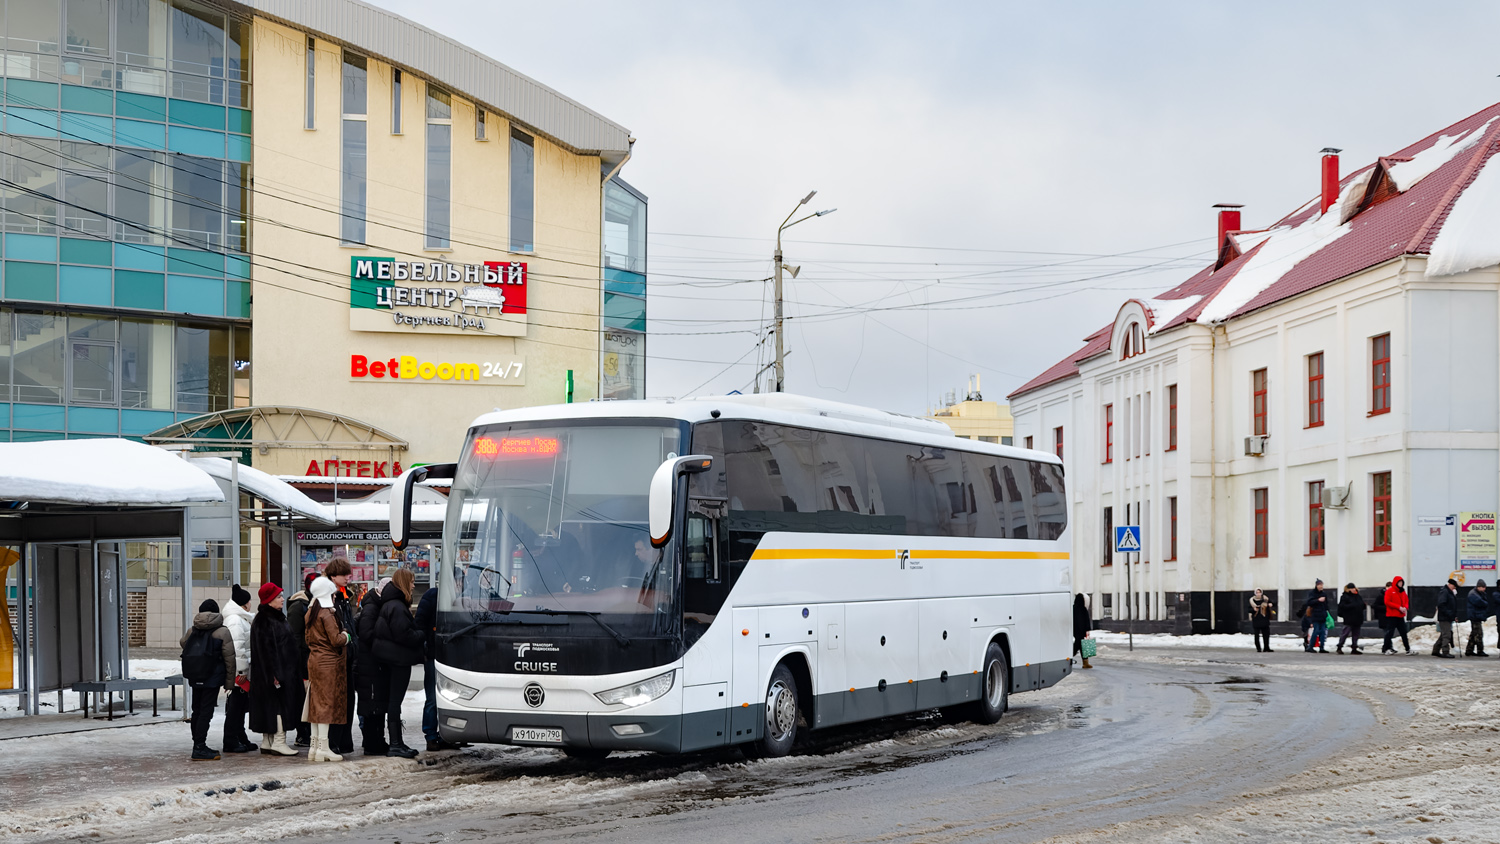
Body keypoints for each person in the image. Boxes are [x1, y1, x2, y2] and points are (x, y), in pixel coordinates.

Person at [373, 568, 425, 758]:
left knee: (392, 701)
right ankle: (396, 744)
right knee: (395, 702)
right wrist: (422, 634)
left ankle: (397, 743)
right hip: (398, 661)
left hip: (391, 659)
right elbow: (404, 635)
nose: (413, 585)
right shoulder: (397, 606)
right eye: (411, 582)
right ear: (403, 583)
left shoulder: (390, 604)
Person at [248, 582, 301, 756]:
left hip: (274, 672)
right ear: (269, 600)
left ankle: (268, 741)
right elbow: (265, 650)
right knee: (279, 706)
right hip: (276, 672)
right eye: (278, 597)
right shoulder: (266, 620)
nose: (282, 599)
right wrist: (274, 674)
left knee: (270, 705)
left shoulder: (273, 618)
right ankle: (278, 741)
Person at [180, 599, 236, 761]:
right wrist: (229, 682)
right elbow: (230, 659)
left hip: (195, 674)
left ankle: (197, 744)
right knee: (206, 711)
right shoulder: (222, 632)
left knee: (197, 710)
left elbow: (183, 643)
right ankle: (199, 747)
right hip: (212, 677)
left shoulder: (193, 630)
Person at [305, 577, 351, 762]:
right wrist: (346, 635)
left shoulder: (310, 612)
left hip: (314, 661)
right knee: (325, 705)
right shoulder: (327, 614)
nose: (334, 597)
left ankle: (314, 746)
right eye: (333, 594)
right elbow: (336, 639)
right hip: (328, 664)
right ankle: (323, 748)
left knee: (316, 705)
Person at [414, 576, 462, 749]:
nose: (459, 586)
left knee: (453, 697)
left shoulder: (460, 600)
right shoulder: (432, 596)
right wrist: (426, 646)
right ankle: (431, 736)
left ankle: (448, 734)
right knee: (432, 698)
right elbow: (419, 624)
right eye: (458, 582)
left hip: (453, 657)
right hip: (434, 655)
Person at [324, 559, 359, 755]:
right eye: (344, 574)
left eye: (348, 574)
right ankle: (334, 742)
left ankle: (344, 741)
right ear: (332, 577)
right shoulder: (329, 599)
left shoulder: (344, 596)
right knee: (338, 702)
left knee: (348, 701)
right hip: (337, 657)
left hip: (348, 656)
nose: (348, 577)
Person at [355, 577, 390, 756]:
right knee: (371, 704)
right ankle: (371, 743)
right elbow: (366, 634)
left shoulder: (376, 605)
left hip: (373, 663)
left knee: (376, 704)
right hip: (369, 663)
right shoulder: (371, 607)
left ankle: (377, 741)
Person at [220, 584, 257, 754]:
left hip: (241, 669)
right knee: (235, 706)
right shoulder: (235, 620)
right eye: (249, 601)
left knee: (240, 706)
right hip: (239, 672)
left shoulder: (240, 618)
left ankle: (240, 736)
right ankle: (230, 739)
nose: (251, 604)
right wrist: (241, 672)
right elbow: (237, 648)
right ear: (244, 603)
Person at [286, 571, 317, 747]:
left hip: (311, 657)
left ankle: (308, 732)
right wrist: (300, 662)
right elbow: (294, 637)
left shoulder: (315, 603)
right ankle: (302, 733)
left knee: (309, 697)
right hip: (302, 660)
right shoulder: (299, 606)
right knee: (303, 697)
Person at [1383, 575, 1411, 654]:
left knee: (1403, 632)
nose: (1401, 584)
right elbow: (1387, 602)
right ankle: (1386, 648)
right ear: (1395, 583)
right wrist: (1398, 607)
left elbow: (1406, 600)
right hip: (1392, 615)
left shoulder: (1402, 591)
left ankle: (1408, 649)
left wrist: (1405, 607)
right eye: (1399, 582)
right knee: (1390, 633)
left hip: (1400, 615)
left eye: (1402, 582)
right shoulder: (1390, 591)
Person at [1302, 579, 1332, 653]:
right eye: (1319, 585)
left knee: (1323, 632)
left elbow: (1326, 604)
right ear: (1316, 585)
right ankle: (1310, 646)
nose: (1321, 586)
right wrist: (1318, 600)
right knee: (1316, 631)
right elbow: (1309, 602)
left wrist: (1327, 612)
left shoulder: (1324, 594)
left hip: (1323, 615)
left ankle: (1322, 647)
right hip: (1315, 615)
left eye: (1322, 585)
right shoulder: (1312, 593)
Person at [1336, 583, 1365, 655]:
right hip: (1349, 618)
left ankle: (1354, 647)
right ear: (1348, 589)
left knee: (1356, 634)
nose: (1353, 589)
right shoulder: (1345, 597)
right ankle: (1339, 646)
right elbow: (1342, 606)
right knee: (1345, 633)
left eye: (1354, 588)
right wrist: (1353, 605)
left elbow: (1361, 604)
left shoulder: (1358, 596)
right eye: (1351, 588)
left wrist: (1362, 605)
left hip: (1358, 618)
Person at [1433, 578, 1459, 659]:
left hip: (1448, 617)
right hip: (1444, 617)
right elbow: (1441, 605)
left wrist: (1454, 616)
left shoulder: (1449, 592)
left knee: (1444, 634)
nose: (1454, 588)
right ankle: (1445, 651)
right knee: (1446, 635)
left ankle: (1436, 650)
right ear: (1450, 585)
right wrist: (1449, 614)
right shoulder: (1445, 592)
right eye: (1454, 587)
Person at [1466, 581, 1489, 657]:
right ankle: (1480, 650)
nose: (1484, 589)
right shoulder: (1473, 594)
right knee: (1479, 634)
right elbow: (1480, 602)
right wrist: (1485, 603)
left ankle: (1469, 650)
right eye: (1483, 587)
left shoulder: (1478, 593)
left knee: (1474, 634)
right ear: (1479, 587)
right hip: (1475, 616)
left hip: (1477, 616)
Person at [1071, 593, 1094, 669]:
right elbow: (1086, 620)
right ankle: (1068, 656)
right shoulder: (1083, 609)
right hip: (1082, 631)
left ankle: (1085, 662)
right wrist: (1087, 629)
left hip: (1075, 630)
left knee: (1081, 646)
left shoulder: (1073, 609)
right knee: (1080, 646)